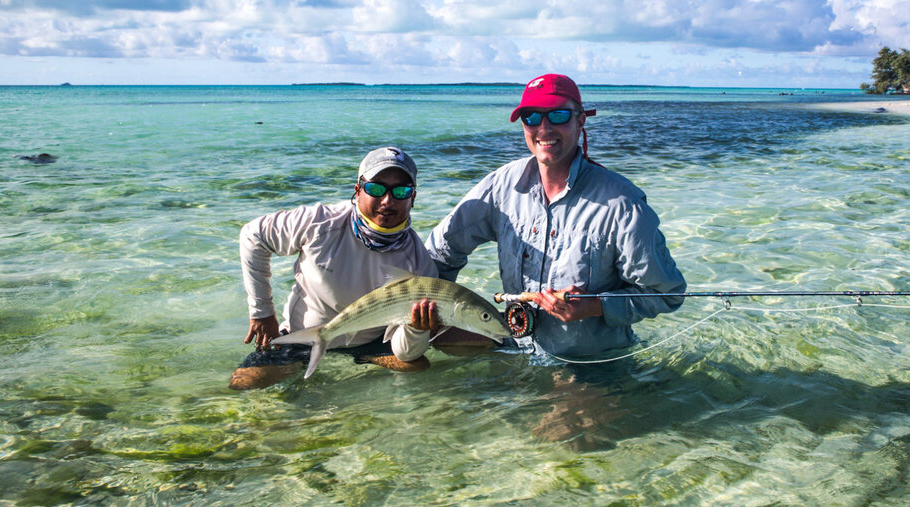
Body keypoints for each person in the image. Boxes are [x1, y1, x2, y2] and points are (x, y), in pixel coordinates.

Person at [426, 74, 686, 358]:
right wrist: (430, 310)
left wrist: (596, 305)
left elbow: (666, 292)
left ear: (580, 121)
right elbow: (440, 253)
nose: (544, 128)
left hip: (590, 366)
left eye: (559, 115)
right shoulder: (501, 185)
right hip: (515, 349)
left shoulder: (622, 203)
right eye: (531, 117)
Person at [230, 146, 442, 390]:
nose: (387, 200)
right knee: (244, 384)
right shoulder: (319, 222)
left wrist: (417, 330)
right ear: (358, 190)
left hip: (370, 343)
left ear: (413, 198)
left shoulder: (419, 262)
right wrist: (262, 313)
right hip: (305, 338)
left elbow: (405, 353)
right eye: (376, 188)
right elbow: (252, 236)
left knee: (415, 366)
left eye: (401, 191)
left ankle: (362, 361)